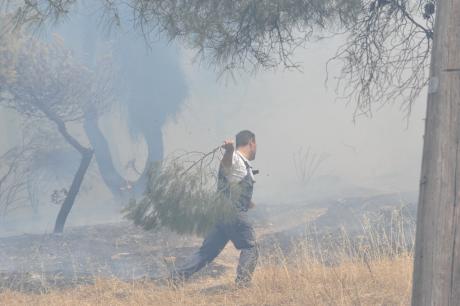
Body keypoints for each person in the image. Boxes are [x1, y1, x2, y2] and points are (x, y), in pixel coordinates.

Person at [171, 130, 259, 288]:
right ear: (251, 142)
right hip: (233, 214)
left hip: (220, 215)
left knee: (206, 252)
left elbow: (232, 184)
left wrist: (248, 202)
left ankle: (176, 277)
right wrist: (230, 150)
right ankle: (243, 285)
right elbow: (226, 165)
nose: (256, 148)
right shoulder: (236, 158)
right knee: (250, 247)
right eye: (256, 145)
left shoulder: (243, 163)